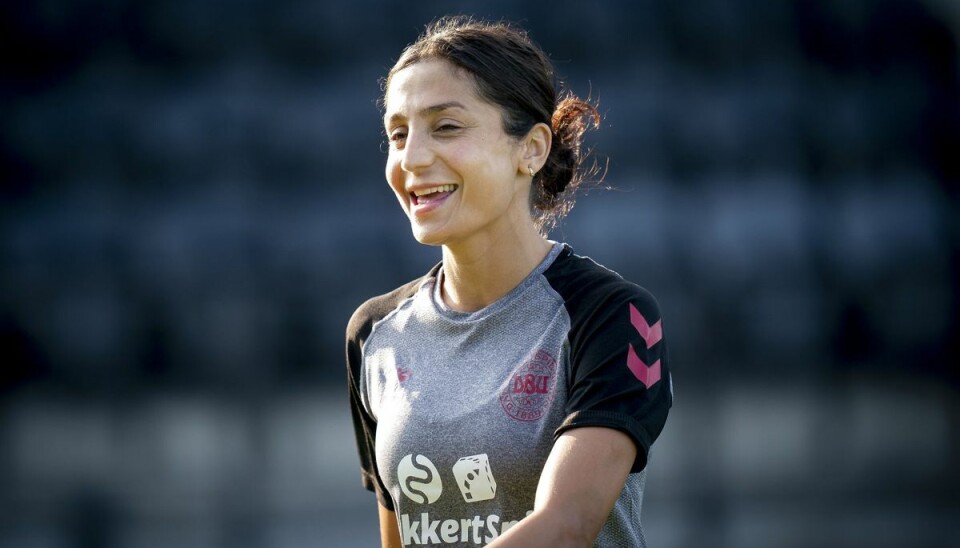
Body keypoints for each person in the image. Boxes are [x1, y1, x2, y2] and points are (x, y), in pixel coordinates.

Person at [346, 16, 672, 548]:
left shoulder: (615, 316)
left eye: (446, 126)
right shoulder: (374, 332)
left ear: (532, 149)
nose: (412, 158)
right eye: (397, 134)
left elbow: (566, 529)